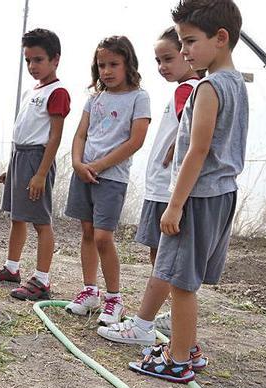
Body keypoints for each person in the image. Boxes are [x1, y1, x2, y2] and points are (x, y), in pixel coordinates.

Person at [129, 0, 247, 382]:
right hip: (223, 193)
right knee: (187, 279)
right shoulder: (235, 83)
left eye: (190, 42)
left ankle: (178, 359)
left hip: (198, 195)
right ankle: (187, 347)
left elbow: (198, 150)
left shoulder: (209, 87)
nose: (183, 52)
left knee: (180, 281)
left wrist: (174, 205)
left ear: (221, 38)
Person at [98, 27, 201, 345]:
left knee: (166, 259)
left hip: (167, 188)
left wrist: (173, 154)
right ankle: (168, 313)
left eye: (169, 58)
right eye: (159, 60)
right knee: (159, 256)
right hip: (160, 186)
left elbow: (192, 133)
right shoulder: (183, 89)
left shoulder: (190, 88)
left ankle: (146, 324)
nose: (163, 66)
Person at [65, 35, 151, 326]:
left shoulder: (140, 97)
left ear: (128, 64)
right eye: (102, 65)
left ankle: (115, 298)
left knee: (104, 236)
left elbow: (136, 141)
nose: (107, 71)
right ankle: (90, 291)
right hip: (84, 173)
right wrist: (77, 163)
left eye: (114, 64)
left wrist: (98, 165)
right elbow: (80, 134)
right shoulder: (95, 99)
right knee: (87, 232)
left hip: (111, 177)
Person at [0, 28, 70, 300]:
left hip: (37, 159)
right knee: (17, 217)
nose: (32, 66)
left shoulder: (58, 91)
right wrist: (12, 168)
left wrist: (41, 173)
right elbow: (24, 129)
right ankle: (12, 267)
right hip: (20, 157)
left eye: (38, 60)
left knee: (40, 221)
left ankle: (42, 279)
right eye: (28, 60)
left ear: (55, 59)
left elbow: (54, 136)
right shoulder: (33, 90)